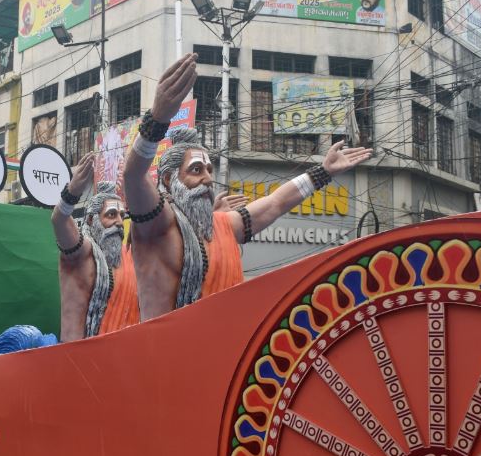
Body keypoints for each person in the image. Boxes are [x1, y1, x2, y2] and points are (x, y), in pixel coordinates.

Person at [123, 54, 372, 321]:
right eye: (196, 170)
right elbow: (133, 176)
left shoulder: (225, 226)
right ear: (171, 180)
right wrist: (157, 120)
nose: (207, 179)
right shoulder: (157, 226)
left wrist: (323, 172)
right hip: (162, 356)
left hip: (228, 353)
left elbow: (276, 203)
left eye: (208, 169)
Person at [52, 154, 138, 341]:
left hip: (127, 354)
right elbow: (59, 221)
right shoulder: (82, 254)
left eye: (122, 216)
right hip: (82, 358)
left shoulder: (129, 256)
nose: (118, 222)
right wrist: (71, 194)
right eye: (111, 214)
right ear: (91, 219)